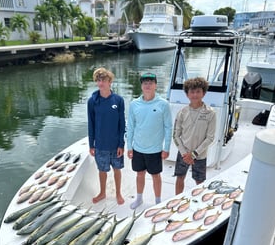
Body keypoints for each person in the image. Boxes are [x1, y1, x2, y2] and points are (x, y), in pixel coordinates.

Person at [127, 72, 172, 209]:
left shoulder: (163, 104)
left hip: (155, 149)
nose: (147, 85)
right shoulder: (134, 104)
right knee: (139, 174)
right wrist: (129, 147)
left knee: (155, 175)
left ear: (155, 85)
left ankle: (158, 201)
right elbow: (130, 127)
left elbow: (168, 127)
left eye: (150, 82)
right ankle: (139, 198)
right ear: (141, 86)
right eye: (145, 83)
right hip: (138, 148)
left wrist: (166, 148)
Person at [87, 67, 125, 204]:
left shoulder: (118, 100)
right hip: (101, 145)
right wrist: (92, 144)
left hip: (115, 144)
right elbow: (90, 124)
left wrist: (121, 144)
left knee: (117, 170)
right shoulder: (92, 101)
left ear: (110, 81)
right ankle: (102, 193)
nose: (100, 83)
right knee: (102, 171)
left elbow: (122, 124)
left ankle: (118, 193)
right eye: (98, 80)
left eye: (103, 80)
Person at [173, 77, 216, 195]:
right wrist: (184, 153)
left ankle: (200, 203)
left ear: (204, 93)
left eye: (198, 91)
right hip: (183, 153)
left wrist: (194, 154)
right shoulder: (182, 112)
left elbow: (210, 138)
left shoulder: (211, 113)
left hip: (200, 155)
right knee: (180, 177)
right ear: (187, 94)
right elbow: (176, 136)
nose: (195, 94)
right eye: (192, 91)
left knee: (200, 181)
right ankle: (177, 200)